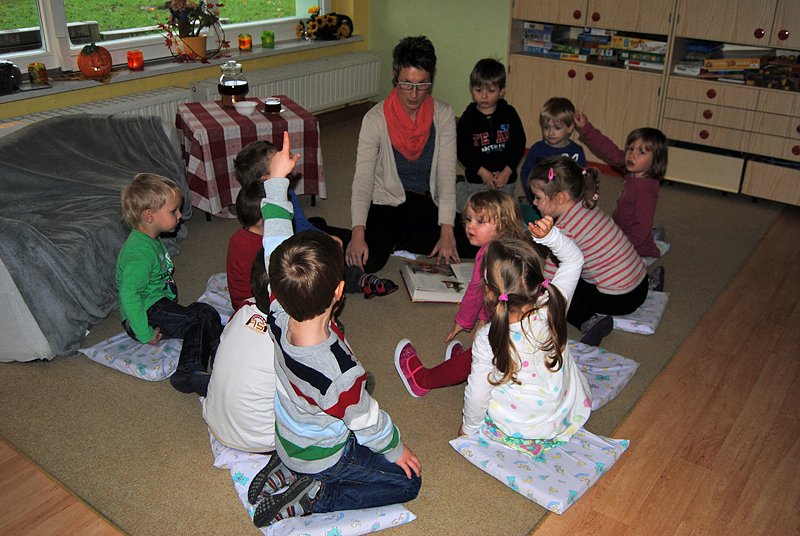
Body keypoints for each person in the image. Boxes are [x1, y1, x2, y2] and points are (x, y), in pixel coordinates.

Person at [249, 231, 422, 526]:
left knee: (338, 407)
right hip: (325, 455)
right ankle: (318, 496)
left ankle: (289, 467)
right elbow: (366, 421)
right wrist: (396, 448)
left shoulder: (276, 312)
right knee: (408, 483)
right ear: (340, 290)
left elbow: (274, 241)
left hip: (289, 437)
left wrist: (276, 199)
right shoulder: (339, 374)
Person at [460, 220, 592, 458]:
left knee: (486, 380)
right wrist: (551, 237)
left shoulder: (486, 338)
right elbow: (575, 260)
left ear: (489, 291)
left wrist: (468, 430)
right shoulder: (554, 304)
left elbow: (478, 394)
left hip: (518, 427)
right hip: (566, 414)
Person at [346, 35, 476, 277]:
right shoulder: (374, 119)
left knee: (475, 243)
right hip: (388, 202)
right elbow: (363, 180)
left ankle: (399, 239)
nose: (414, 94)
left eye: (422, 84)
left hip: (426, 202)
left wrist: (447, 231)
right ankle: (331, 232)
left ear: (431, 79)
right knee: (368, 260)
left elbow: (446, 177)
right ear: (395, 77)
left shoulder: (444, 115)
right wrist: (357, 232)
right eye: (406, 84)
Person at [393, 190, 529, 397]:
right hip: (527, 317)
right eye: (468, 219)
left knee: (477, 353)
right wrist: (483, 319)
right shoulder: (517, 248)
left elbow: (476, 292)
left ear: (502, 225)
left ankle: (422, 381)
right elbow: (497, 295)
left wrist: (463, 322)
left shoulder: (488, 256)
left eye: (480, 221)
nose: (470, 226)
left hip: (510, 330)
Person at [232, 140, 396, 301]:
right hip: (295, 246)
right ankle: (358, 279)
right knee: (362, 261)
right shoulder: (264, 216)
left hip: (302, 232)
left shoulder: (285, 190)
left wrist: (324, 237)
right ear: (266, 177)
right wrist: (323, 242)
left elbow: (301, 223)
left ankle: (321, 228)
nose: (285, 157)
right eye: (277, 159)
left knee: (349, 244)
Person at [116, 173, 223, 396]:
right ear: (149, 216)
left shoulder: (150, 239)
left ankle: (220, 352)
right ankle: (188, 372)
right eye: (173, 211)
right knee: (197, 321)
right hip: (145, 312)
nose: (180, 215)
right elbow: (128, 295)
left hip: (158, 303)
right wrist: (144, 333)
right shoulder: (139, 253)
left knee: (205, 311)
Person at [529, 156, 648, 346]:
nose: (534, 203)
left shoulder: (564, 230)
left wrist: (533, 298)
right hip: (641, 284)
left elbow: (550, 278)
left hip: (619, 299)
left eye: (538, 197)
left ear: (560, 198)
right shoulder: (587, 205)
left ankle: (589, 321)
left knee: (561, 291)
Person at [574, 111, 669, 264]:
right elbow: (608, 149)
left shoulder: (645, 190)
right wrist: (586, 127)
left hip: (635, 247)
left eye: (641, 152)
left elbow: (642, 227)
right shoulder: (633, 171)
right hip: (620, 231)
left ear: (655, 160)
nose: (632, 155)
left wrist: (621, 247)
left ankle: (656, 249)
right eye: (630, 149)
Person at [455, 58, 526, 213]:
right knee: (474, 213)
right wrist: (482, 172)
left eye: (491, 91)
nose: (484, 96)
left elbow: (519, 143)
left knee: (503, 214)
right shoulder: (467, 119)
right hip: (478, 179)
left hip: (505, 179)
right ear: (471, 89)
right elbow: (462, 150)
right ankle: (459, 187)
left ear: (501, 91)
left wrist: (507, 170)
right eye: (478, 90)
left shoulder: (509, 113)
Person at [520, 97, 586, 206]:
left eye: (557, 128)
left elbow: (582, 178)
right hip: (540, 200)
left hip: (566, 203)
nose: (550, 132)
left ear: (570, 128)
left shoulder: (576, 151)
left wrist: (576, 200)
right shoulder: (537, 149)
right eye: (546, 127)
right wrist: (532, 194)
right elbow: (526, 173)